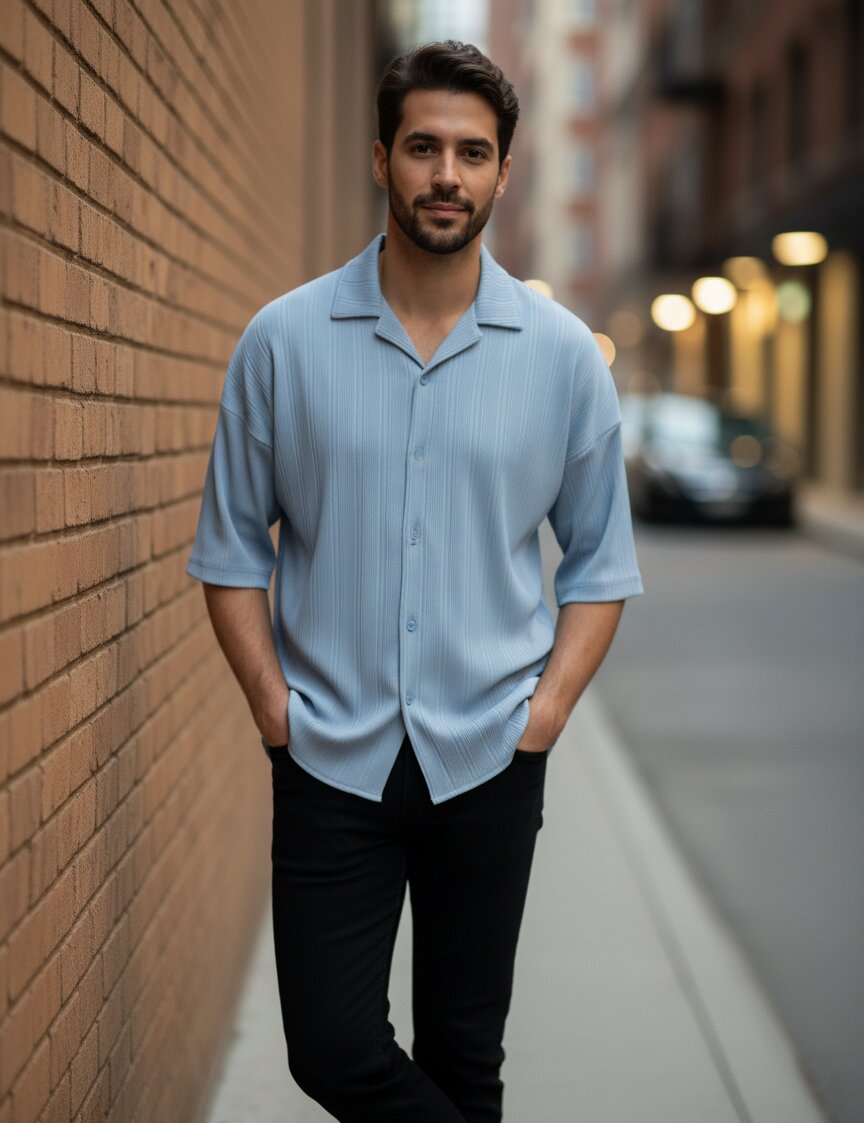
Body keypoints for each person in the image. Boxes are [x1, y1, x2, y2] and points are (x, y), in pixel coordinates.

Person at [187, 40, 642, 1123]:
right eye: (426, 147)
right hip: (329, 756)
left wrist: (546, 713)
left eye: (473, 153)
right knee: (335, 1049)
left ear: (503, 172)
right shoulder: (283, 342)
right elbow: (230, 549)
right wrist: (269, 703)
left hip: (490, 752)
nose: (448, 174)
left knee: (462, 1054)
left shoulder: (563, 356)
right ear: (381, 158)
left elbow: (601, 563)